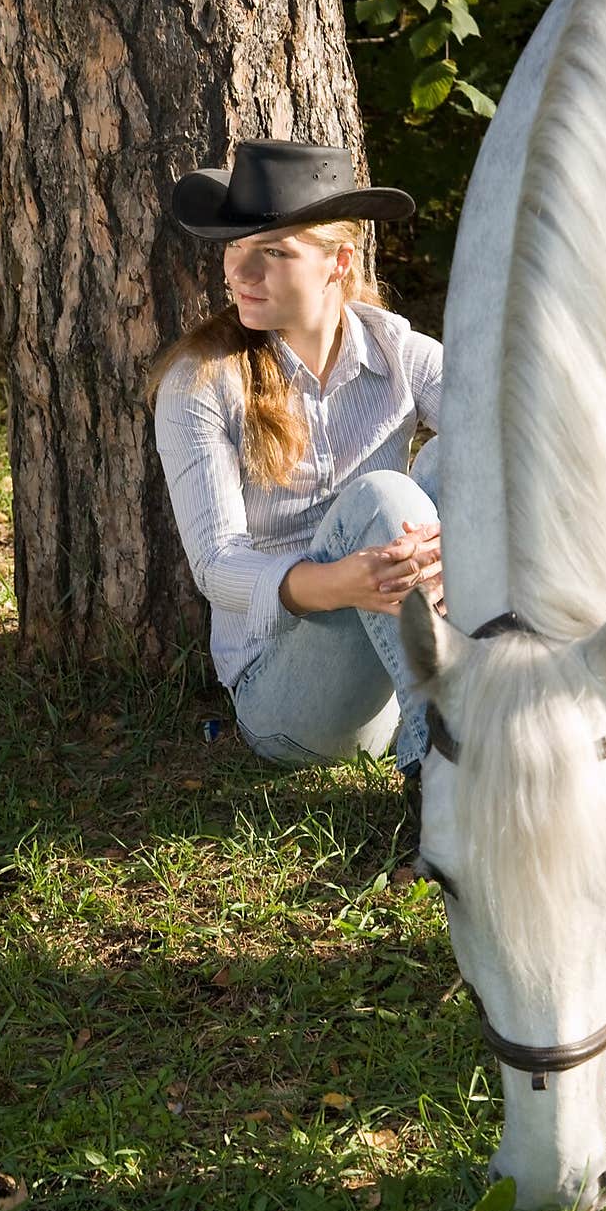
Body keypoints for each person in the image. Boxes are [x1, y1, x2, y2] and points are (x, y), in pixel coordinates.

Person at [151, 138, 442, 780]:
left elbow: (502, 431)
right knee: (380, 498)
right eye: (235, 249)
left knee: (460, 457)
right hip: (289, 693)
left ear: (338, 262)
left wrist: (455, 549)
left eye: (274, 253)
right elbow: (216, 565)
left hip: (394, 660)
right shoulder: (201, 382)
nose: (239, 275)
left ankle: (503, 695)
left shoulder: (395, 351)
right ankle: (446, 761)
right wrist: (340, 584)